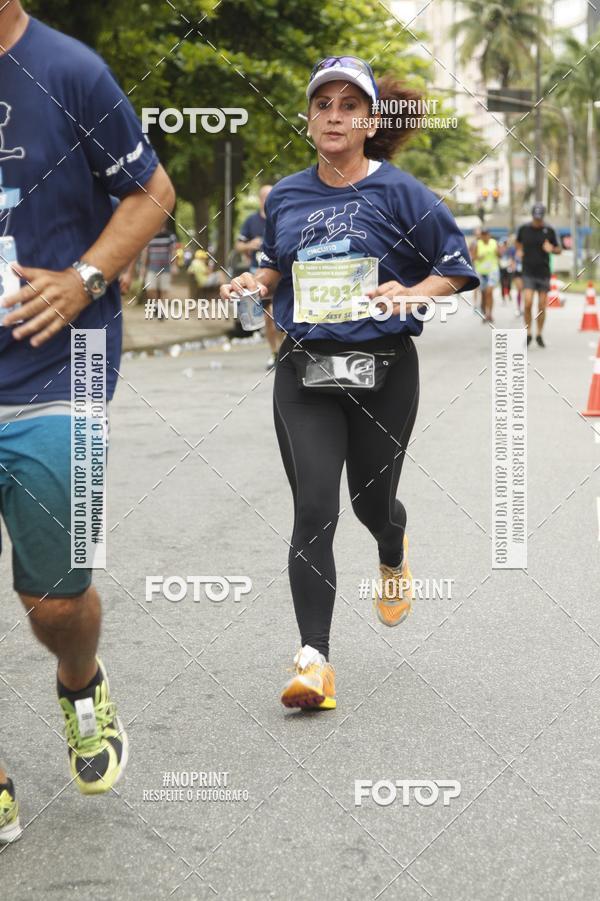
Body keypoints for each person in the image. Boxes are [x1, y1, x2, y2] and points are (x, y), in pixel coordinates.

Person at [221, 55, 478, 711]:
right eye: (323, 105)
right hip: (305, 369)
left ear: (369, 121)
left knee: (370, 504)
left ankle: (392, 545)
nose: (334, 116)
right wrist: (255, 284)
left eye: (348, 106)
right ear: (309, 119)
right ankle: (314, 659)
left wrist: (413, 291)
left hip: (383, 369)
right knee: (314, 508)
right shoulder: (284, 195)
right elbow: (277, 269)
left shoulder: (402, 193)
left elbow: (456, 265)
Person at [0, 2, 175, 843]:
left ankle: (79, 678)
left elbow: (151, 192)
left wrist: (84, 276)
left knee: (55, 600)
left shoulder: (70, 71)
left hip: (53, 375)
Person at [235, 185, 283, 369]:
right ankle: (274, 352)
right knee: (269, 317)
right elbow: (238, 246)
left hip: (280, 276)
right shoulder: (251, 221)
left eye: (271, 196)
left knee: (276, 314)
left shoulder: (281, 217)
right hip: (257, 277)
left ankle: (284, 349)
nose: (267, 200)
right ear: (260, 200)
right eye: (264, 197)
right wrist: (249, 245)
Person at [516, 203, 561, 347]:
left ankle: (539, 334)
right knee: (528, 302)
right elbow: (517, 243)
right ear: (532, 216)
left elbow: (559, 249)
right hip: (528, 271)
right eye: (535, 218)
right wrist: (519, 251)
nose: (538, 221)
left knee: (542, 305)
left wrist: (552, 249)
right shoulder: (524, 229)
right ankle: (528, 333)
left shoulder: (550, 230)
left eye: (540, 218)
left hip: (543, 272)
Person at [471, 227, 499, 323]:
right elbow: (473, 258)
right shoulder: (477, 244)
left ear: (489, 235)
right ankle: (484, 312)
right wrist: (479, 257)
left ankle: (489, 314)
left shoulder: (494, 243)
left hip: (492, 270)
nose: (484, 237)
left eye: (486, 235)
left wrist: (498, 252)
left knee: (489, 292)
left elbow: (500, 255)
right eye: (483, 235)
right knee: (483, 294)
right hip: (481, 271)